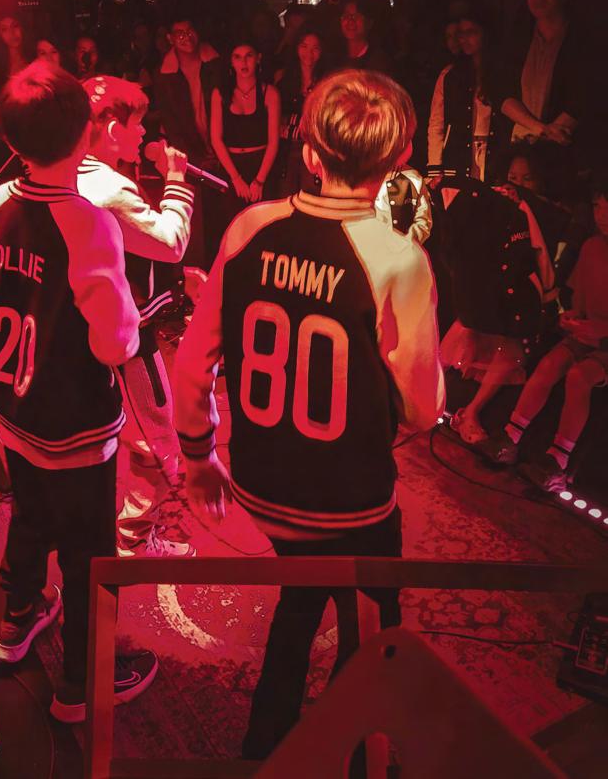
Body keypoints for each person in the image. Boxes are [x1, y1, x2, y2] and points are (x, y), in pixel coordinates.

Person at [174, 69, 444, 759]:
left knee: (300, 593)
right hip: (351, 503)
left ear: (309, 153)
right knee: (372, 633)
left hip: (262, 485)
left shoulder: (248, 226)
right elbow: (424, 409)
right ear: (399, 158)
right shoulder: (398, 258)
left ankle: (265, 745)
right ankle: (358, 756)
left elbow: (192, 362)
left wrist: (199, 458)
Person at [0, 62, 157, 719]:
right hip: (75, 424)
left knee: (29, 516)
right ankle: (84, 681)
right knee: (89, 554)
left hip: (13, 408)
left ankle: (15, 622)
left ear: (10, 138)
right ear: (86, 135)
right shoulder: (88, 222)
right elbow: (116, 344)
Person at [77, 75, 195, 557]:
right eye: (137, 125)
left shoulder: (66, 176)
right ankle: (132, 541)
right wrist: (177, 180)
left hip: (81, 335)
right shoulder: (108, 188)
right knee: (156, 445)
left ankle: (106, 537)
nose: (144, 133)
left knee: (102, 440)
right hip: (127, 340)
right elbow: (171, 242)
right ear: (111, 130)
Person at [477, 178, 608, 491]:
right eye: (597, 206)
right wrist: (572, 318)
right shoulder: (592, 247)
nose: (601, 215)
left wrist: (598, 331)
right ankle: (510, 438)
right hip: (586, 337)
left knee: (579, 377)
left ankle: (558, 462)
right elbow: (580, 303)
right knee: (548, 365)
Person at [439, 177, 555, 444]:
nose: (515, 185)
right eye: (513, 177)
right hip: (482, 298)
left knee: (506, 351)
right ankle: (433, 400)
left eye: (525, 179)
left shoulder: (522, 209)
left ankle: (469, 411)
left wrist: (547, 294)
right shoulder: (476, 204)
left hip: (507, 302)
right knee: (468, 340)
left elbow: (538, 251)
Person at [154, 16, 221, 265]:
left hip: (220, 148)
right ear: (170, 39)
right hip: (192, 153)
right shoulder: (165, 75)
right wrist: (194, 157)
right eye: (179, 33)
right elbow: (172, 122)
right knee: (195, 217)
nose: (186, 37)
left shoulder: (214, 63)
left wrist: (219, 149)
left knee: (220, 213)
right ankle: (196, 271)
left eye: (190, 30)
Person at [499, 0, 583, 148]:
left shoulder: (580, 42)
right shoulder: (519, 41)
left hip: (566, 145)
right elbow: (503, 91)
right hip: (521, 145)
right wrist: (540, 129)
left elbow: (583, 96)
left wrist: (552, 135)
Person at [210, 38, 280, 215]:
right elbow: (216, 139)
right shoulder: (220, 94)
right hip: (231, 165)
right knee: (234, 223)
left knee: (263, 222)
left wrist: (259, 180)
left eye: (249, 56)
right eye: (237, 57)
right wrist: (235, 178)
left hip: (261, 165)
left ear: (258, 58)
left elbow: (273, 141)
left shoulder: (270, 93)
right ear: (231, 62)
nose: (243, 62)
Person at [427, 11, 499, 183]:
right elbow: (437, 123)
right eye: (461, 34)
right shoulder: (450, 76)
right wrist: (435, 168)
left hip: (493, 154)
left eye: (471, 32)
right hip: (459, 155)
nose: (464, 39)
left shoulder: (499, 73)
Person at [274, 25, 327, 195]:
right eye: (304, 46)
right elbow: (276, 119)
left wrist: (293, 122)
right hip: (286, 150)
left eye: (315, 48)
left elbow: (322, 122)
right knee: (286, 197)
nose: (309, 53)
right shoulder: (283, 78)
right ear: (296, 47)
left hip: (314, 149)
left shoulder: (326, 82)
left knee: (311, 198)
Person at [334, 0, 391, 74]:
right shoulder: (333, 58)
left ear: (369, 23)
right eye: (346, 16)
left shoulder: (378, 62)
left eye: (357, 16)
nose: (351, 21)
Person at [0, 13, 32, 98]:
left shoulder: (35, 59)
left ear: (22, 28)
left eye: (15, 26)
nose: (12, 32)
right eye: (4, 29)